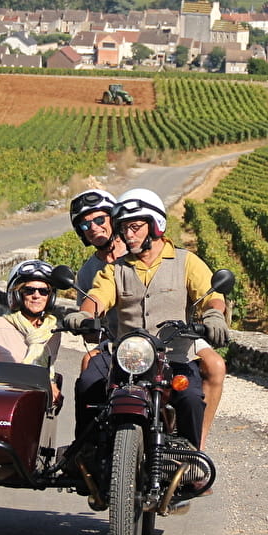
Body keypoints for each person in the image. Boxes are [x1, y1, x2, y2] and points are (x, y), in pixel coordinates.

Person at [69, 188, 230, 449]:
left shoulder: (186, 261)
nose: (128, 235)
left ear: (156, 225)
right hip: (126, 356)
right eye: (123, 229)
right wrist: (84, 314)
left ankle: (192, 457)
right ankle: (86, 451)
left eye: (134, 227)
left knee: (189, 398)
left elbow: (211, 293)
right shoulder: (114, 269)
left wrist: (214, 315)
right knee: (89, 383)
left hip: (174, 356)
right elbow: (98, 296)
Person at [0, 259, 63, 405]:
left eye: (43, 291)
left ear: (50, 297)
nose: (36, 295)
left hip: (32, 403)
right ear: (17, 294)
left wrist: (50, 384)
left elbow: (46, 371)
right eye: (29, 290)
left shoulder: (53, 333)